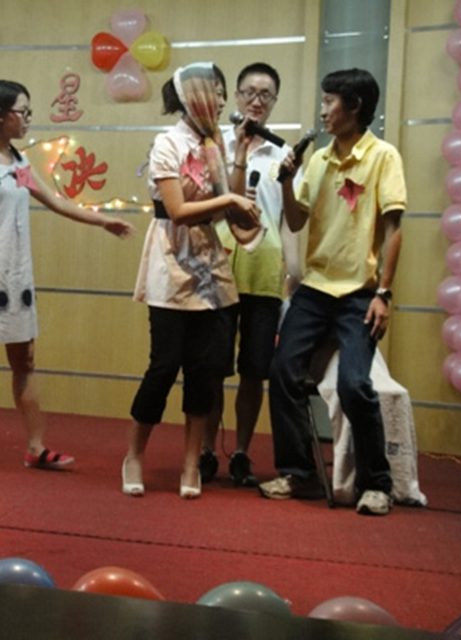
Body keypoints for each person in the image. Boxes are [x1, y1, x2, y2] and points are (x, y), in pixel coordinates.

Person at [0, 79, 134, 476]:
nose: (27, 119)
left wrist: (102, 221)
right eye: (22, 112)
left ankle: (36, 447)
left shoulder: (19, 164)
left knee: (24, 360)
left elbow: (55, 201)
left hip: (14, 275)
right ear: (0, 115)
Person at [258, 68, 406, 516]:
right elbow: (296, 220)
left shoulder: (382, 156)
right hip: (316, 290)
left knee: (354, 384)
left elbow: (394, 229)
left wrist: (384, 294)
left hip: (361, 292)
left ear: (354, 106)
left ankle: (377, 483)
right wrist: (287, 180)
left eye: (330, 102)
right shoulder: (319, 160)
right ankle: (298, 472)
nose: (323, 111)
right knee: (282, 371)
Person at [121, 62, 261, 499]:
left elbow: (228, 205)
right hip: (171, 263)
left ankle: (190, 462)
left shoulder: (213, 142)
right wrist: (229, 199)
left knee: (205, 372)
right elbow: (179, 210)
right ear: (193, 95)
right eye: (215, 91)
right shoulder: (168, 143)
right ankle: (134, 456)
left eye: (222, 92)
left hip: (210, 267)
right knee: (163, 367)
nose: (221, 100)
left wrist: (240, 154)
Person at [199, 62, 302, 487]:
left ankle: (241, 451)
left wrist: (293, 271)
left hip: (265, 272)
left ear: (274, 101)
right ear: (236, 97)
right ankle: (206, 450)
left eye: (266, 95)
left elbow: (288, 222)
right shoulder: (214, 146)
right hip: (218, 267)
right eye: (250, 92)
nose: (257, 101)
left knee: (255, 369)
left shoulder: (284, 155)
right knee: (211, 367)